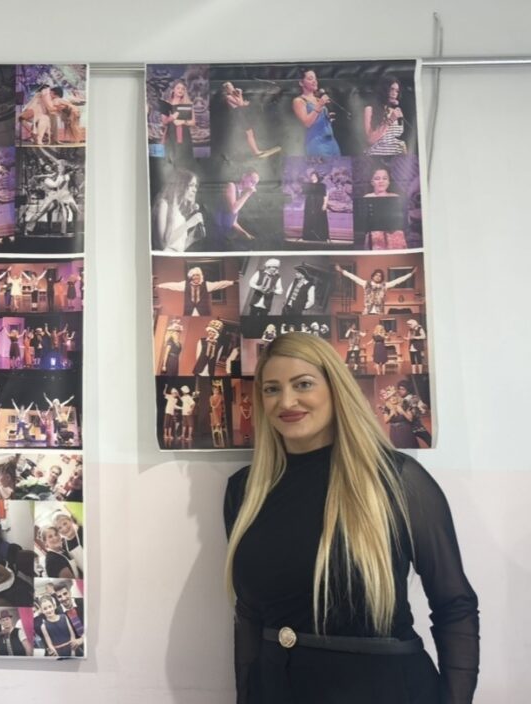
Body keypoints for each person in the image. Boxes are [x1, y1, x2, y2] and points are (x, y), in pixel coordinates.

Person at [222, 333, 478, 703]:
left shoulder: (396, 480)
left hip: (385, 691)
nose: (286, 401)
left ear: (336, 388)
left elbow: (454, 604)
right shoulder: (245, 491)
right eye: (272, 389)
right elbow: (248, 618)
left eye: (303, 384)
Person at [152, 169, 206, 252]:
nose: (195, 190)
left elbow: (178, 249)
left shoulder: (180, 215)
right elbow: (162, 244)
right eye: (191, 185)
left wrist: (192, 238)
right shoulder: (163, 204)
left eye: (195, 186)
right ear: (181, 185)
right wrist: (189, 223)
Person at [292, 69, 341, 156]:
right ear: (301, 83)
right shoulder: (299, 101)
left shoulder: (318, 99)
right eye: (310, 79)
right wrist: (319, 105)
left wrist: (327, 118)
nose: (314, 81)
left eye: (315, 78)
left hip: (331, 141)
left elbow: (317, 119)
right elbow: (307, 123)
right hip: (317, 143)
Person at [334, 264, 416, 315]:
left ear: (381, 278)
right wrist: (341, 270)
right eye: (376, 275)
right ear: (373, 276)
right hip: (366, 312)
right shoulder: (365, 284)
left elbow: (398, 280)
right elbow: (353, 277)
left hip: (379, 313)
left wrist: (411, 274)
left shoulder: (385, 285)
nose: (378, 277)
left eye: (380, 276)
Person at [364, 75, 407, 156]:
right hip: (377, 155)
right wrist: (390, 120)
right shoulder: (370, 109)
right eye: (391, 89)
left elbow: (399, 136)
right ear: (383, 90)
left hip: (398, 155)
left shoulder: (396, 111)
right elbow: (370, 140)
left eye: (397, 91)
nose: (394, 94)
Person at [300, 170, 329, 242]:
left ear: (317, 176)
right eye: (312, 176)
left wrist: (325, 204)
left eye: (314, 176)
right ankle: (309, 236)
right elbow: (303, 194)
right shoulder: (308, 185)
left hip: (319, 203)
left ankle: (320, 236)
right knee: (309, 219)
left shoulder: (322, 185)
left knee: (319, 218)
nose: (313, 177)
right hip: (309, 204)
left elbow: (326, 195)